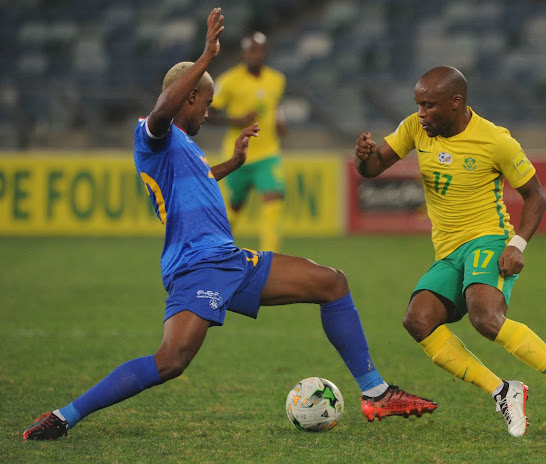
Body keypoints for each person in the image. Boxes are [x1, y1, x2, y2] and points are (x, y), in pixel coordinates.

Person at [22, 8, 436, 441]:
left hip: (231, 259)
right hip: (197, 264)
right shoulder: (153, 132)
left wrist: (232, 164)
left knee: (332, 282)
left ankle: (377, 392)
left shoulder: (185, 148)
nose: (208, 114)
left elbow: (194, 181)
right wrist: (205, 58)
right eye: (205, 104)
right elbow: (163, 111)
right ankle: (64, 416)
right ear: (189, 98)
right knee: (171, 361)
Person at [353, 66, 546, 438]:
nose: (421, 113)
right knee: (417, 320)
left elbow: (536, 196)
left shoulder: (495, 140)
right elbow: (373, 168)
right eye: (418, 105)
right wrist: (363, 156)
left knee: (485, 318)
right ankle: (504, 391)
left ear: (455, 103)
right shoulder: (414, 128)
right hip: (449, 249)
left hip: (489, 237)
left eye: (429, 105)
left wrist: (517, 243)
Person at [209, 31, 287, 252]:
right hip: (237, 156)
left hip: (268, 154)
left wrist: (281, 122)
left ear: (265, 53)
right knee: (234, 207)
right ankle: (215, 251)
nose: (255, 55)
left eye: (259, 50)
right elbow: (209, 114)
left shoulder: (277, 79)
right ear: (244, 53)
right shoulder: (229, 81)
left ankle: (270, 259)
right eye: (251, 50)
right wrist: (237, 120)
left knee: (274, 201)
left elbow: (276, 105)